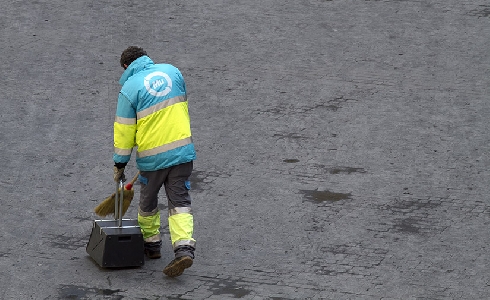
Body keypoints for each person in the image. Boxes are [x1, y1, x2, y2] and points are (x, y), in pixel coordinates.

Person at [113, 46, 196, 277]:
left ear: (126, 67)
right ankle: (184, 250)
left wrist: (120, 164)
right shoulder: (173, 72)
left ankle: (152, 246)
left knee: (148, 203)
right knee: (179, 201)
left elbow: (124, 131)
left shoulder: (129, 89)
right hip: (182, 151)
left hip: (153, 158)